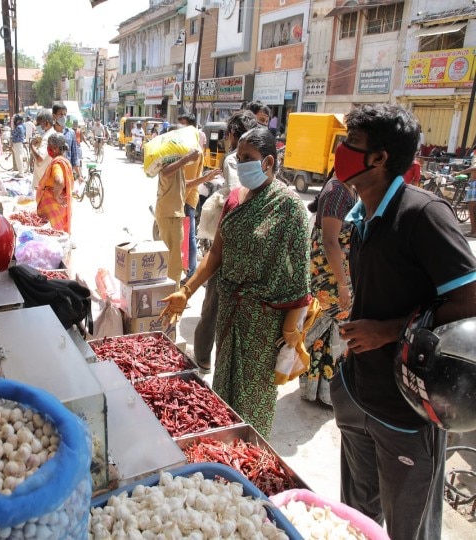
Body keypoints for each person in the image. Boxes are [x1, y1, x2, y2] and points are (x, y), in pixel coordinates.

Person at [330, 104, 476, 540]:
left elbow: (470, 299)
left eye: (351, 143)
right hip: (358, 394)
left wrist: (389, 331)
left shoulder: (423, 214)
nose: (340, 150)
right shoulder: (362, 215)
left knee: (408, 530)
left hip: (406, 411)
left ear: (378, 158)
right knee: (356, 521)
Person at [161, 127, 311, 438]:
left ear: (268, 161)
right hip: (230, 314)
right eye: (238, 156)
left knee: (253, 401)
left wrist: (290, 330)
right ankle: (224, 450)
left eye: (248, 158)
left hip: (263, 323)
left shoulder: (290, 207)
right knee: (223, 395)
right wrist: (186, 290)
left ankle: (253, 460)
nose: (240, 163)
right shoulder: (233, 199)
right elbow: (216, 253)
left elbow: (299, 277)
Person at [192, 110, 258, 373]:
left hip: (239, 242)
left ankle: (214, 357)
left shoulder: (239, 161)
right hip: (227, 239)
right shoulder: (235, 161)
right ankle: (204, 355)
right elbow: (236, 192)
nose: (242, 160)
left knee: (223, 301)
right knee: (215, 297)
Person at [301, 172, 357, 406]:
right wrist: (344, 285)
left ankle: (321, 392)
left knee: (326, 336)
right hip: (330, 279)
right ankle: (325, 391)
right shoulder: (336, 192)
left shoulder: (348, 188)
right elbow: (330, 242)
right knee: (332, 329)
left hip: (337, 275)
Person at [155, 149, 221, 284]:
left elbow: (184, 184)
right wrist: (187, 158)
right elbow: (165, 172)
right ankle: (173, 293)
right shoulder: (169, 162)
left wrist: (205, 178)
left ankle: (171, 290)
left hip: (172, 214)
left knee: (174, 257)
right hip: (170, 214)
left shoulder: (176, 165)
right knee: (175, 260)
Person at [177, 113, 204, 281]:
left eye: (183, 126)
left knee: (188, 237)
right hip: (184, 196)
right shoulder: (186, 147)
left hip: (186, 198)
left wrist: (179, 199)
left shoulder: (193, 151)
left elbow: (189, 180)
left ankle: (190, 273)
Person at [36, 133, 74, 234]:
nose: (47, 148)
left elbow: (59, 181)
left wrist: (56, 196)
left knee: (53, 234)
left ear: (55, 148)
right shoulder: (65, 161)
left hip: (53, 205)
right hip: (60, 206)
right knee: (58, 233)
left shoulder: (57, 164)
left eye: (49, 145)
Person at [52, 102, 82, 179]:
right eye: (61, 114)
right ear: (54, 116)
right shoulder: (50, 133)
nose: (63, 117)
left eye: (65, 114)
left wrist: (79, 175)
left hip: (67, 173)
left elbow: (74, 156)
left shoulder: (71, 133)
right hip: (53, 173)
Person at [30, 109, 56, 190]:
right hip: (46, 178)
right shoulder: (51, 134)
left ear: (47, 123)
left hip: (43, 180)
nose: (38, 126)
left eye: (39, 124)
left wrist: (32, 146)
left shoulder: (47, 137)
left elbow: (40, 158)